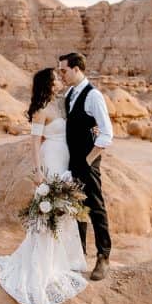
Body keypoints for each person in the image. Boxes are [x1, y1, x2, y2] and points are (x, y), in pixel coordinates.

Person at [0, 67, 87, 304]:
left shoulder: (59, 105)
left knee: (62, 207)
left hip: (63, 158)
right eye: (56, 78)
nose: (59, 80)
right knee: (51, 207)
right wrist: (38, 171)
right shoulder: (40, 110)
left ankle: (62, 259)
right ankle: (44, 262)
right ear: (48, 83)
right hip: (50, 159)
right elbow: (35, 143)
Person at [57, 52, 113, 281]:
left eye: (64, 70)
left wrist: (88, 161)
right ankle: (79, 255)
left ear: (76, 69)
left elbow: (107, 133)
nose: (61, 75)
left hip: (87, 163)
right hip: (71, 162)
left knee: (95, 207)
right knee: (76, 208)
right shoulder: (70, 93)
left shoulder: (93, 96)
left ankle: (104, 257)